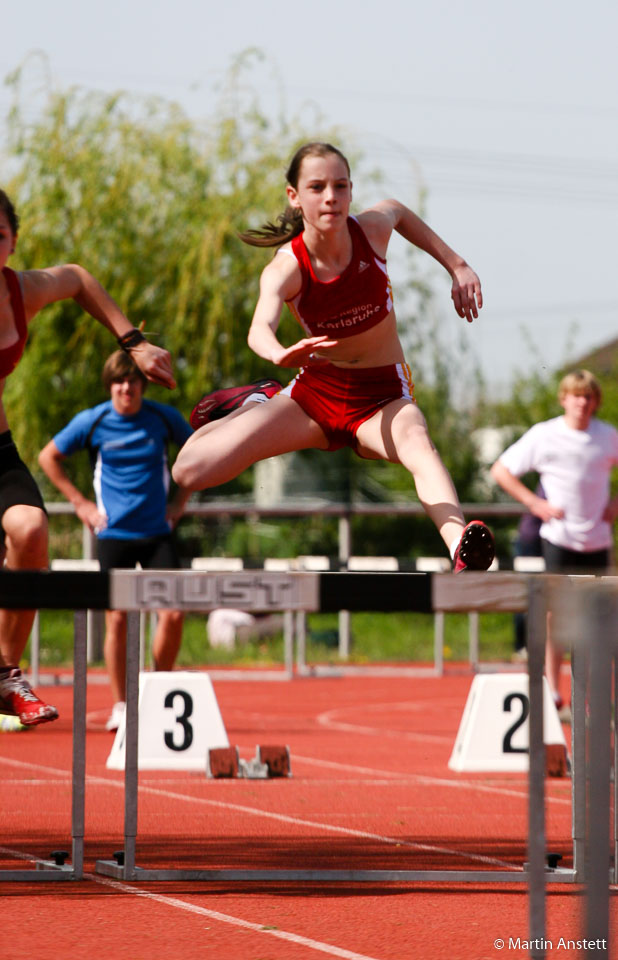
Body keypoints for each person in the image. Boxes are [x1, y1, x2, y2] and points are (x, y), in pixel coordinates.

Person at [174, 141, 495, 572]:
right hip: (315, 394)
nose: (331, 197)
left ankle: (460, 548)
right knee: (189, 472)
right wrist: (281, 355)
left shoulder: (371, 232)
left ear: (350, 191)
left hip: (381, 396)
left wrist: (457, 265)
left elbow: (397, 210)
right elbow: (259, 329)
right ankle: (256, 400)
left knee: (416, 441)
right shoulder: (287, 267)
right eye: (318, 187)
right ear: (295, 196)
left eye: (340, 186)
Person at [0, 189, 175, 727]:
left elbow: (76, 278)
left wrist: (134, 342)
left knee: (31, 531)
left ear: (12, 241)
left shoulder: (20, 291)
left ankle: (8, 675)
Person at [39, 350, 193, 731]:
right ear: (111, 385)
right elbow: (48, 457)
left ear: (143, 384)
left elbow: (196, 452)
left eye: (134, 381)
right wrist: (80, 505)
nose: (128, 388)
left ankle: (157, 693)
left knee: (173, 614)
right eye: (120, 381)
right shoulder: (93, 421)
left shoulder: (161, 417)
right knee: (117, 620)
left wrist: (179, 503)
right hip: (114, 535)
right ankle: (123, 707)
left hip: (158, 532)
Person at [491, 370, 618, 719]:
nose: (582, 402)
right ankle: (552, 688)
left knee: (599, 620)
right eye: (576, 395)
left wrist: (615, 505)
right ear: (564, 398)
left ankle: (594, 695)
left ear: (596, 402)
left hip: (597, 540)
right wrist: (535, 504)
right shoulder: (545, 435)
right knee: (555, 616)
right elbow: (500, 470)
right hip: (559, 539)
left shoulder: (607, 436)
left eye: (589, 396)